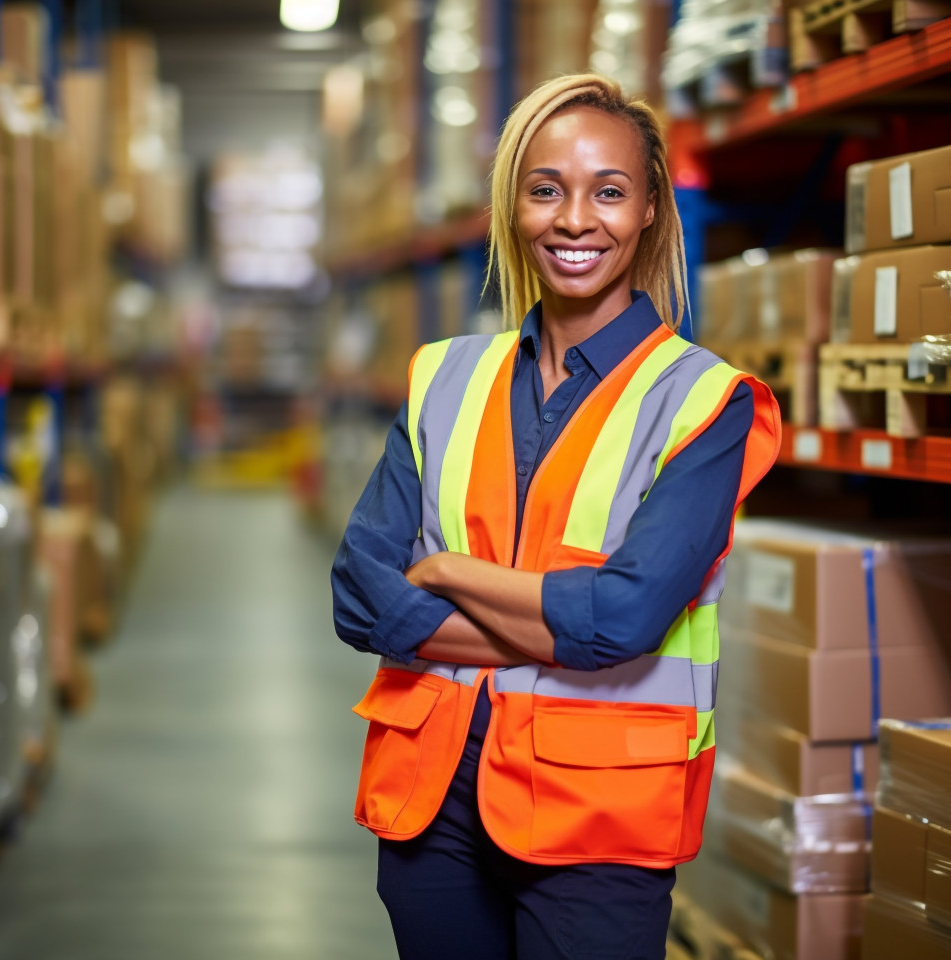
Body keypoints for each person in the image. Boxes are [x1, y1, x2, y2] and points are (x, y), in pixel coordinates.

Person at [332, 73, 781, 960]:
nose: (576, 220)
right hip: (432, 806)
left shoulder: (703, 401)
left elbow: (625, 617)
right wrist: (553, 621)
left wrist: (449, 571)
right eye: (546, 190)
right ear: (515, 203)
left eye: (609, 192)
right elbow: (358, 596)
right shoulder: (444, 376)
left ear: (650, 207)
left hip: (598, 822)